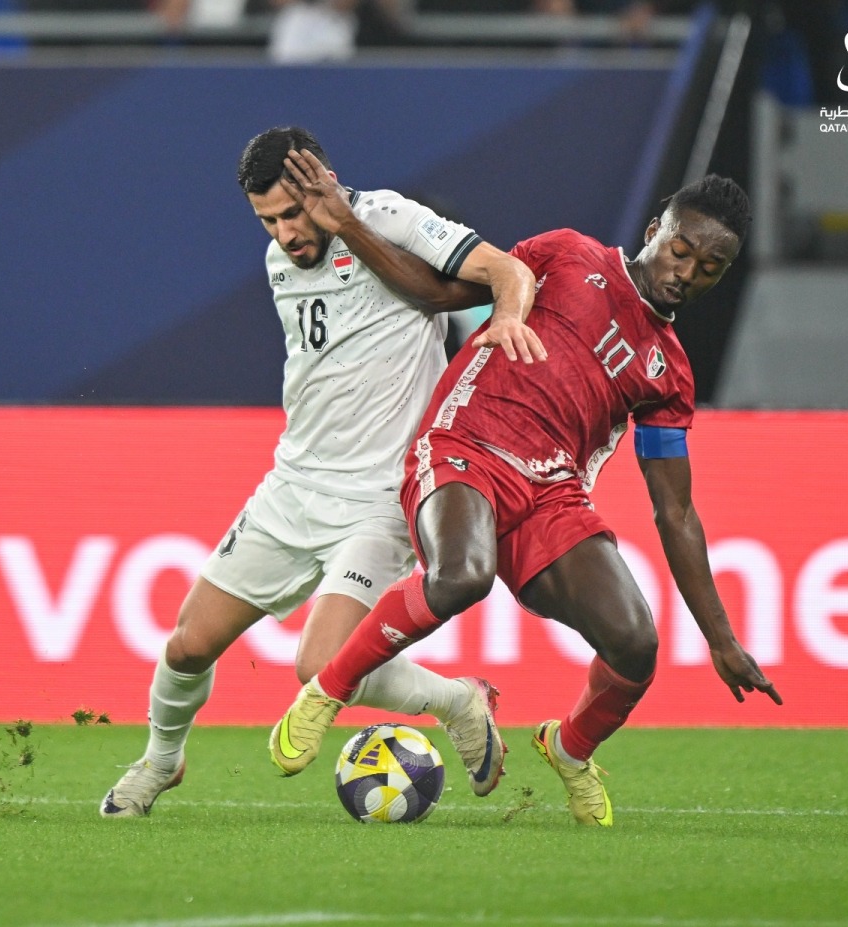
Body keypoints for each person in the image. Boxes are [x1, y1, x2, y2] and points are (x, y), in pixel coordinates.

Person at [268, 169, 783, 827]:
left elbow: (674, 510)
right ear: (657, 231)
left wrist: (721, 639)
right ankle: (327, 690)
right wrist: (349, 225)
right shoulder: (568, 255)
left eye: (709, 267)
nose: (687, 272)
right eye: (681, 250)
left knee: (636, 645)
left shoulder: (669, 371)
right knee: (461, 575)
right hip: (464, 446)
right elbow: (436, 291)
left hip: (552, 494)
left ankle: (568, 749)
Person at [100, 125, 544, 817]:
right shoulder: (283, 260)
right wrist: (313, 227)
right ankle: (161, 760)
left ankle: (457, 700)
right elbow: (392, 312)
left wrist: (509, 320)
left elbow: (512, 271)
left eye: (292, 214)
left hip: (376, 499)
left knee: (320, 665)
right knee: (188, 645)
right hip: (293, 487)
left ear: (324, 185)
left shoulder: (390, 217)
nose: (283, 233)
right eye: (267, 220)